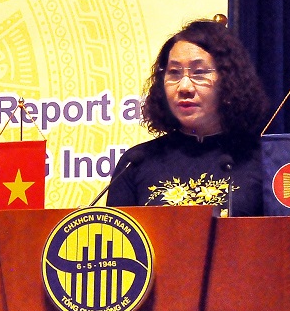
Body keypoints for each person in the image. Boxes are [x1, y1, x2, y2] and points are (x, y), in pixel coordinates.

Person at [106, 17, 269, 216]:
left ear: (229, 80)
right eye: (174, 73)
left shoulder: (263, 161)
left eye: (199, 72)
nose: (184, 87)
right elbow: (117, 235)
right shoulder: (136, 162)